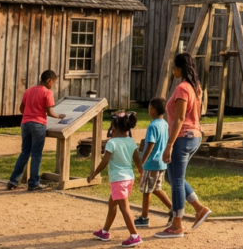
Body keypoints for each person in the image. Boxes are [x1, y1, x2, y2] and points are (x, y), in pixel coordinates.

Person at [155, 53, 212, 239]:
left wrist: (169, 144)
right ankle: (199, 209)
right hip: (194, 136)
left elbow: (179, 118)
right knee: (173, 179)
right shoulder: (195, 87)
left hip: (182, 137)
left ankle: (177, 224)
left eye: (174, 67)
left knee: (177, 181)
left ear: (179, 69)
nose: (173, 71)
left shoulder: (182, 89)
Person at [88, 112, 143, 246]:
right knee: (112, 203)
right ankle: (105, 231)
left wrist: (94, 173)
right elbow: (137, 161)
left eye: (112, 127)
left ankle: (134, 235)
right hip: (129, 179)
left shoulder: (112, 143)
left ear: (117, 128)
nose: (111, 130)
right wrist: (142, 174)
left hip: (119, 180)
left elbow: (105, 161)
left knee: (124, 207)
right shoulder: (131, 141)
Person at [7, 70, 65, 191]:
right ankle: (33, 183)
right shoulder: (47, 92)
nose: (52, 84)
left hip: (25, 123)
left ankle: (13, 180)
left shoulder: (29, 91)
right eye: (53, 82)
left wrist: (29, 115)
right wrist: (58, 116)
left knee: (24, 152)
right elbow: (49, 112)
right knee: (36, 154)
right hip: (38, 124)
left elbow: (21, 107)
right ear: (49, 80)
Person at [135, 98, 173, 228]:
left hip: (151, 162)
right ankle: (173, 208)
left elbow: (150, 143)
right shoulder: (165, 124)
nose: (148, 110)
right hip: (161, 163)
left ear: (153, 110)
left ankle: (144, 218)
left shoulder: (152, 125)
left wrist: (142, 161)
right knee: (156, 188)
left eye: (149, 107)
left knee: (147, 190)